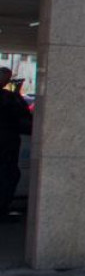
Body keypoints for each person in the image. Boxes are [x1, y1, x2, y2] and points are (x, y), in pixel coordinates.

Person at [0, 68, 31, 221]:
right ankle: (2, 209)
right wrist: (16, 93)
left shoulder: (8, 96)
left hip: (7, 141)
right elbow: (23, 114)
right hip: (6, 142)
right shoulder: (8, 98)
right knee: (9, 175)